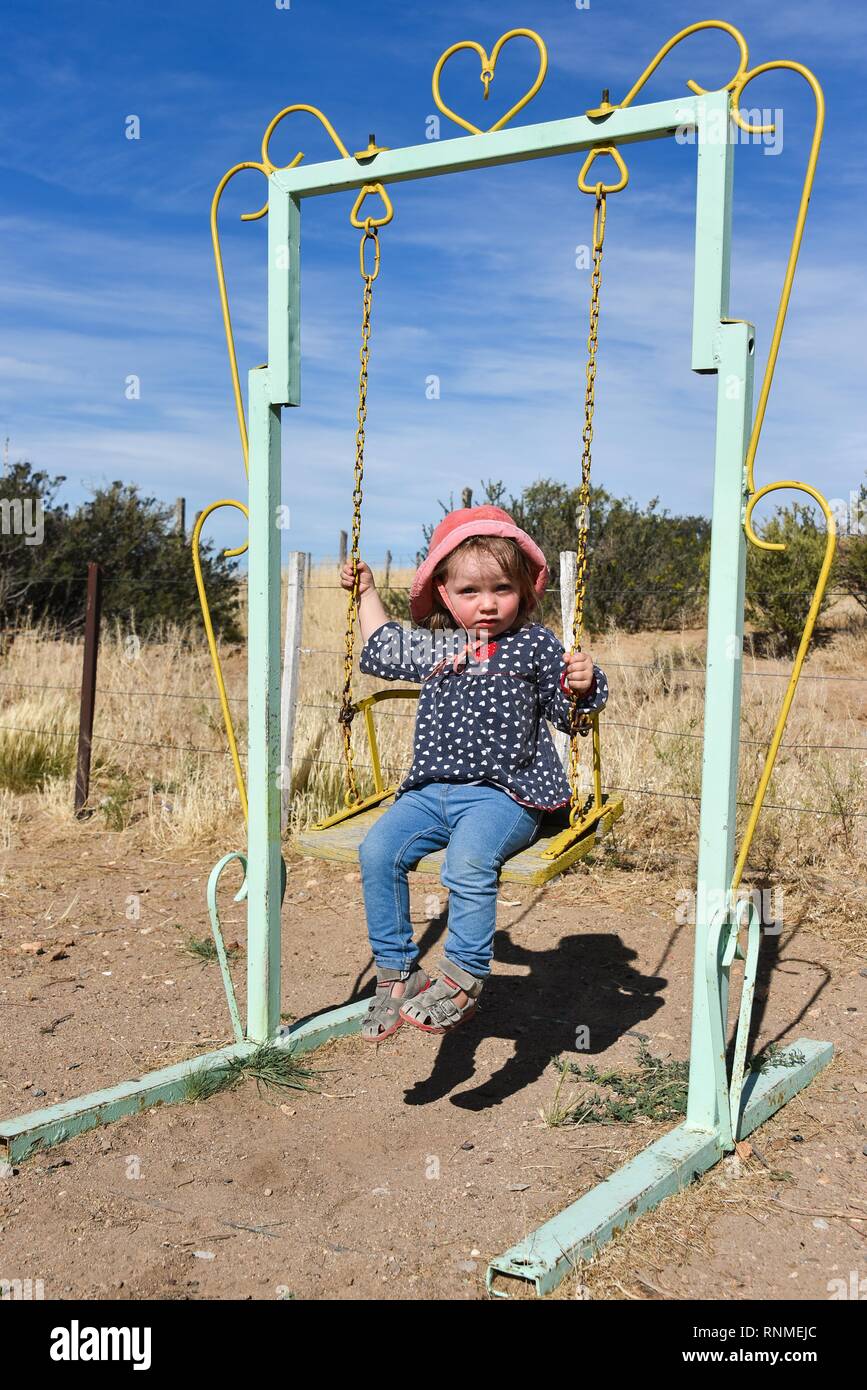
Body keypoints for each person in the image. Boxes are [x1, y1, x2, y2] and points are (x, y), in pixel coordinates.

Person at [338, 505, 609, 1042]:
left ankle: (463, 977)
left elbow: (566, 714)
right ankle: (398, 972)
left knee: (467, 861)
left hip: (506, 796)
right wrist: (366, 591)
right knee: (377, 852)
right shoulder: (436, 646)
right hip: (428, 793)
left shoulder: (534, 644)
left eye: (501, 589)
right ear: (443, 593)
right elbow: (380, 645)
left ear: (524, 590)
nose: (487, 604)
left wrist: (582, 683)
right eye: (469, 592)